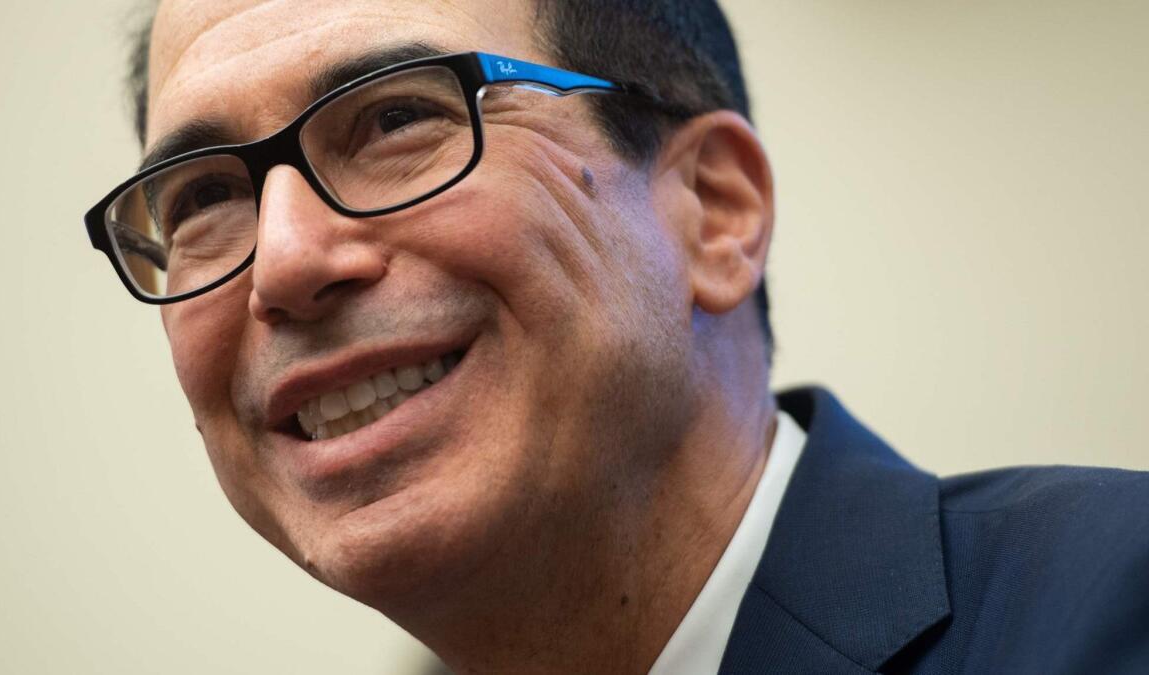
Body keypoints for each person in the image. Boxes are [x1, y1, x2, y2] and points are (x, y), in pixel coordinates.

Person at [84, 0, 1149, 672]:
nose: (285, 262)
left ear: (714, 211)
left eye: (397, 120)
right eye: (202, 197)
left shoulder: (1111, 607)